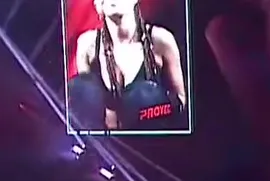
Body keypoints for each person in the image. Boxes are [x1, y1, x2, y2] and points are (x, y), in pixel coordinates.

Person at [69, 0, 188, 131]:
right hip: (103, 140)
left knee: (144, 95)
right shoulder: (87, 45)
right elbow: (85, 109)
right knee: (82, 88)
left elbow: (181, 102)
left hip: (149, 137)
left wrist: (149, 110)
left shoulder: (160, 40)